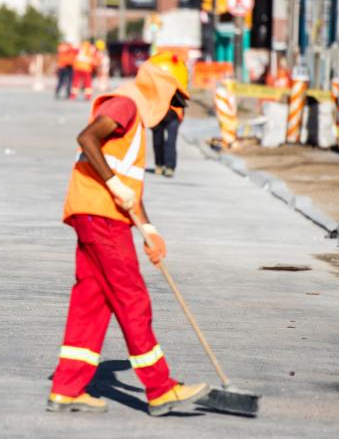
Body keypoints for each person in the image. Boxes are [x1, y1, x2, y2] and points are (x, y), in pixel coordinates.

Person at [47, 61, 209, 416]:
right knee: (132, 298)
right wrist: (113, 184)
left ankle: (67, 388)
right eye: (174, 100)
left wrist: (148, 229)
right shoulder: (126, 104)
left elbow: (127, 181)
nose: (173, 110)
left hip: (98, 212)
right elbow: (87, 138)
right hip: (102, 215)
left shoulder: (131, 111)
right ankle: (160, 387)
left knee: (91, 302)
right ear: (162, 88)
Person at [148, 53, 189, 178]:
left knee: (171, 141)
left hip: (173, 114)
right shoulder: (154, 86)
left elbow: (184, 95)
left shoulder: (178, 82)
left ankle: (170, 167)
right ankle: (159, 164)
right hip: (158, 113)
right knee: (157, 140)